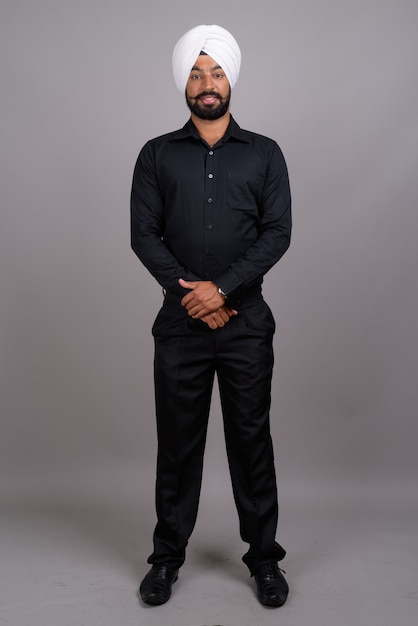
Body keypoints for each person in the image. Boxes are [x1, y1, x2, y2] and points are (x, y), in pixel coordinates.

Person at [130, 24, 292, 608]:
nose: (207, 84)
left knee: (252, 440)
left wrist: (222, 290)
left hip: (247, 322)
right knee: (177, 444)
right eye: (197, 73)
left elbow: (277, 234)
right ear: (184, 83)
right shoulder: (156, 154)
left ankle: (265, 561)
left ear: (231, 79)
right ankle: (165, 559)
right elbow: (143, 236)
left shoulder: (266, 154)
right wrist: (193, 298)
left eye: (216, 72)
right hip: (179, 325)